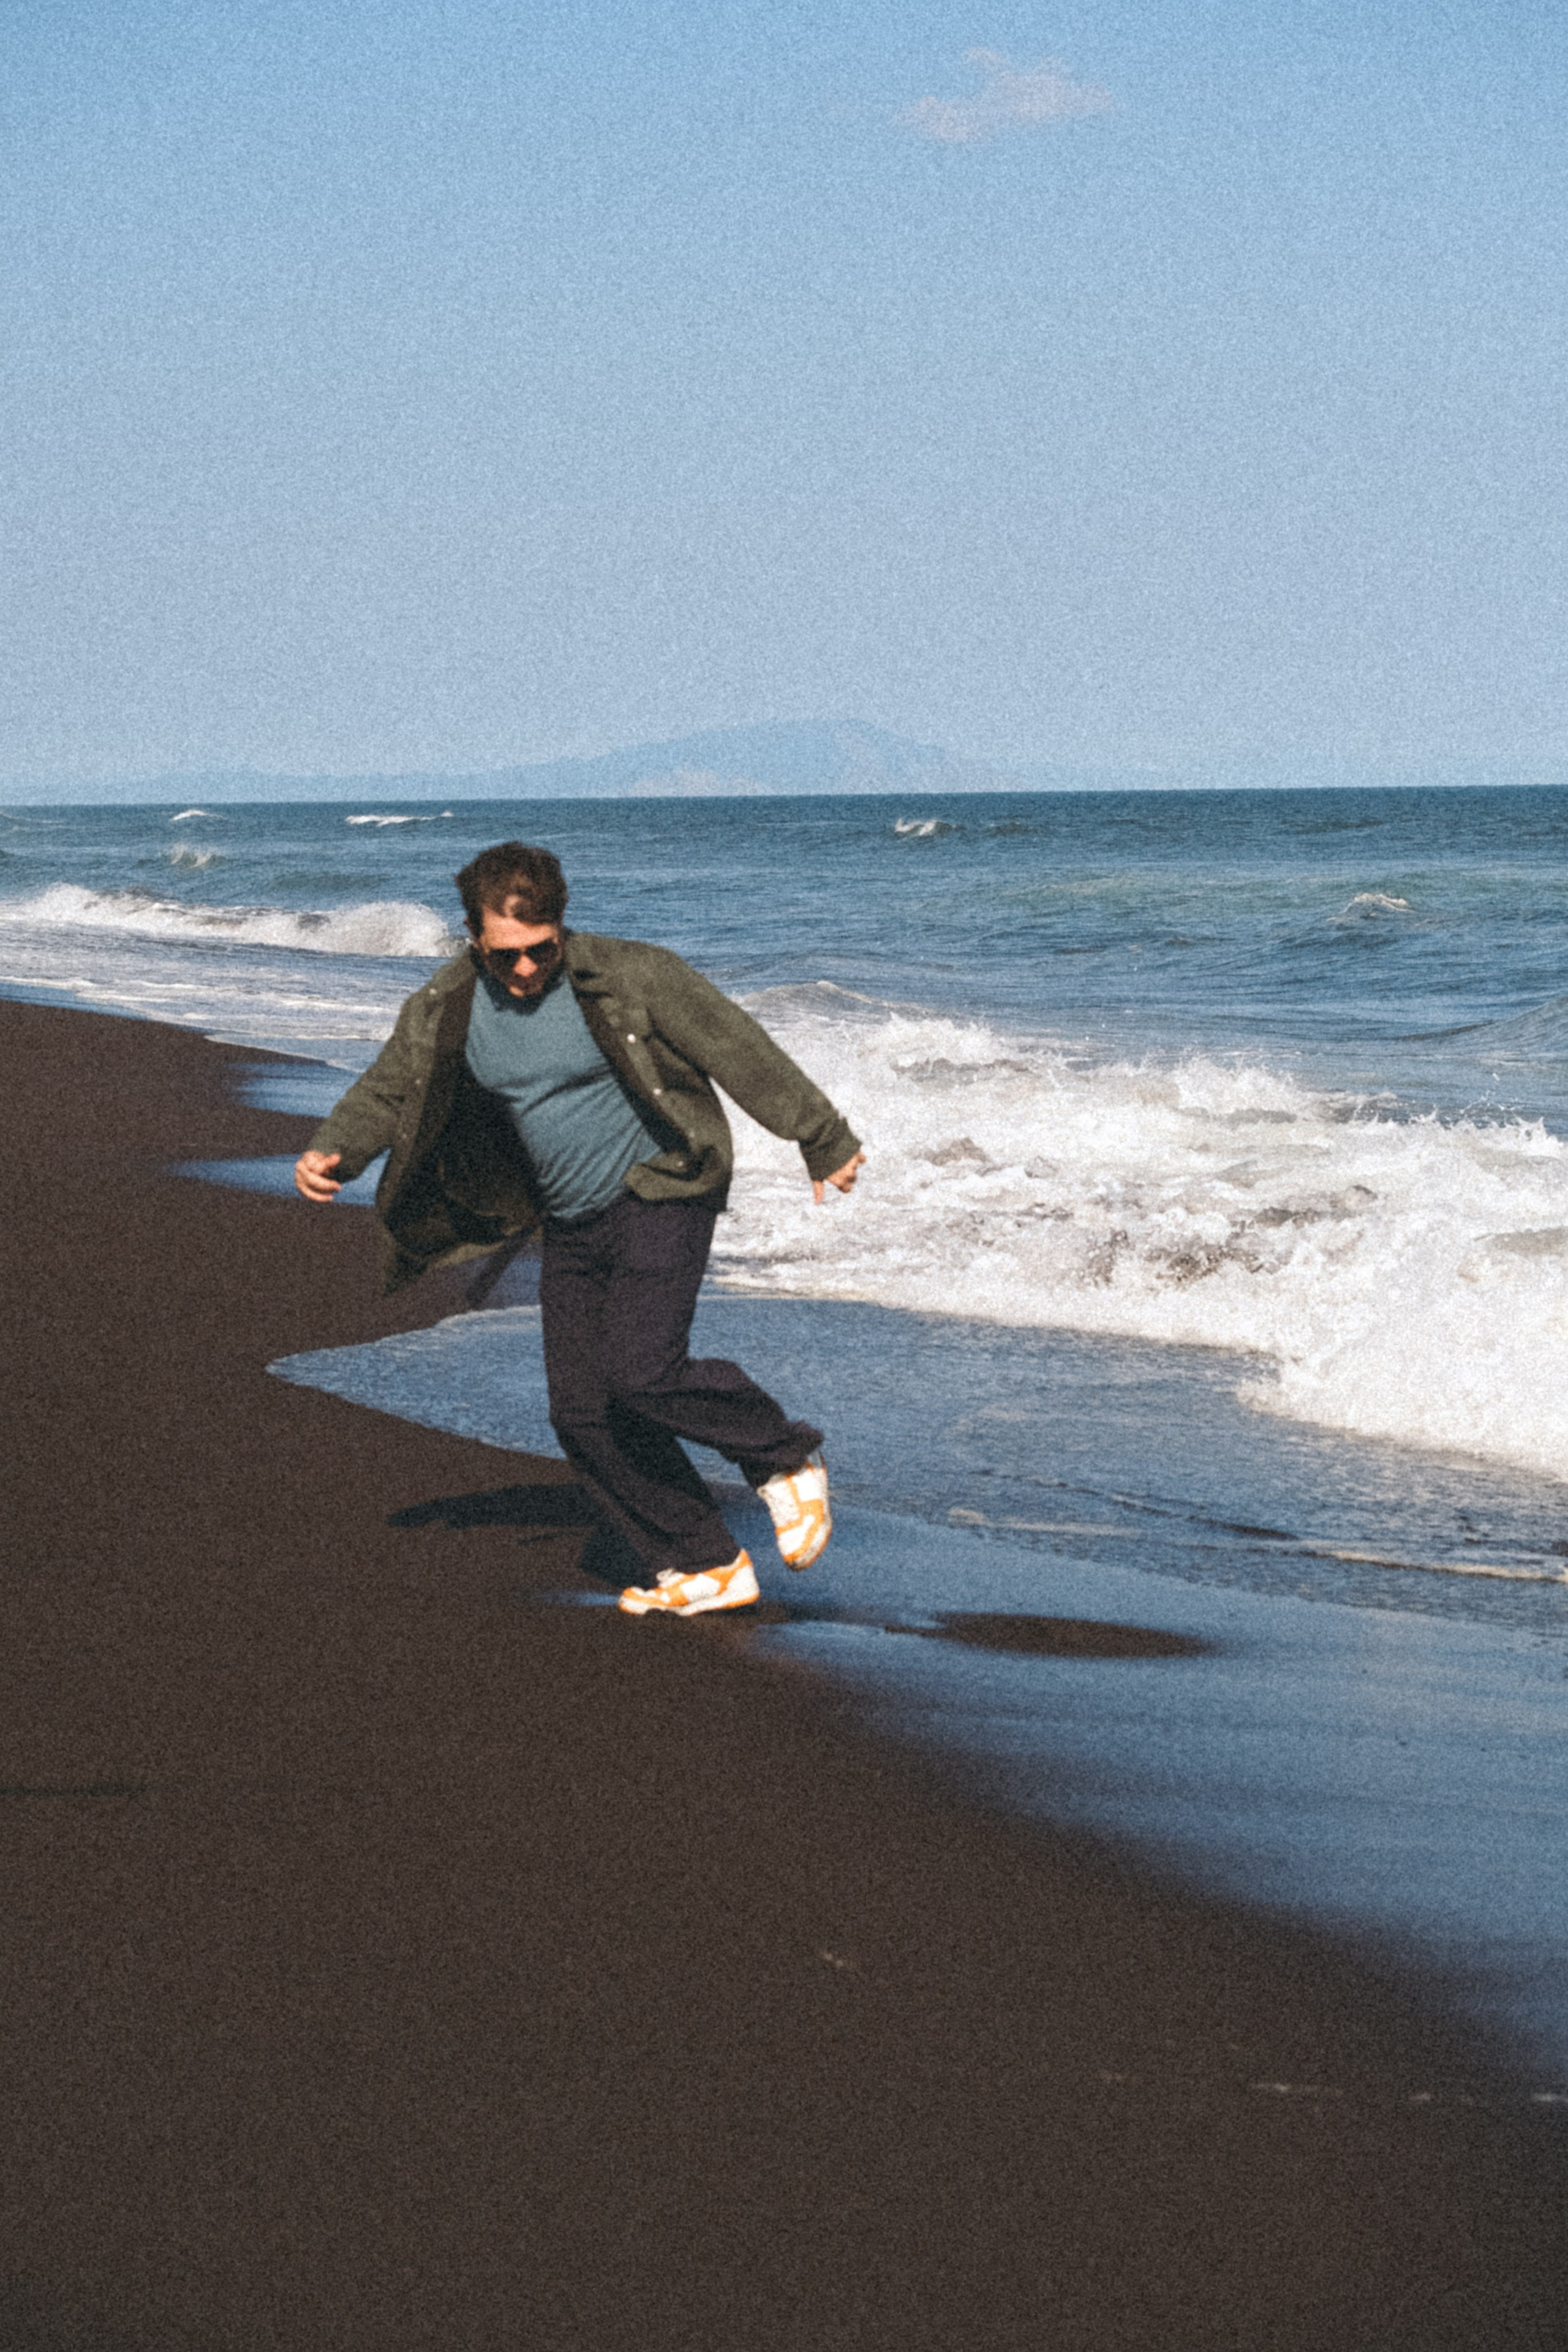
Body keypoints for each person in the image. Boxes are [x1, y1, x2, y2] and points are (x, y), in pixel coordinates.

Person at [295, 842, 865, 1618]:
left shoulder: (633, 974)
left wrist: (821, 1136)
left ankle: (782, 1456)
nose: (525, 970)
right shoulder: (448, 1002)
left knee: (642, 1370)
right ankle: (705, 1562)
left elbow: (733, 1045)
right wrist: (338, 1148)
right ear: (471, 935)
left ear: (561, 927)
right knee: (582, 1411)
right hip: (568, 1217)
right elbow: (394, 1085)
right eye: (506, 957)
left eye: (541, 951)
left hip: (662, 1190)